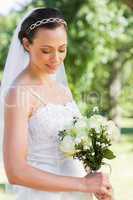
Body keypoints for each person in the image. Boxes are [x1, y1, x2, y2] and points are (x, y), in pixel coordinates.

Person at [2, 7, 113, 200]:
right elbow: (15, 172)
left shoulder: (62, 89)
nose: (56, 59)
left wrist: (96, 183)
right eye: (46, 51)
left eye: (62, 49)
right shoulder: (18, 94)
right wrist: (83, 184)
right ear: (27, 44)